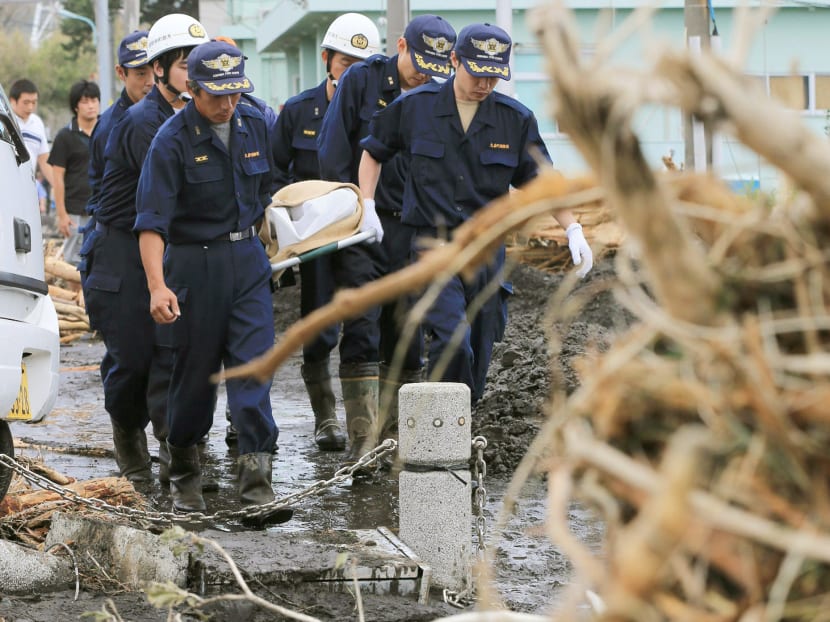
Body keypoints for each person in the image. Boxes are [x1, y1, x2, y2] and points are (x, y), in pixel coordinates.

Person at [358, 23, 593, 404]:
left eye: (494, 76)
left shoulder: (514, 120)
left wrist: (573, 228)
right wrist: (367, 204)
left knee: (481, 346)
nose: (485, 84)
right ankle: (445, 428)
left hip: (487, 249)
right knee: (452, 340)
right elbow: (374, 151)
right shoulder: (415, 107)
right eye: (478, 73)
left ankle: (463, 418)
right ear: (454, 60)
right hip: (434, 245)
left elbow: (543, 182)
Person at [135, 40, 288, 519]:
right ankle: (184, 479)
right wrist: (158, 286)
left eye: (235, 94)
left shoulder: (256, 123)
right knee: (195, 382)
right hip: (194, 268)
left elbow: (269, 191)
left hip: (247, 261)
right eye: (217, 95)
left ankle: (257, 490)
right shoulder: (171, 140)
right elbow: (151, 223)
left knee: (254, 370)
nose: (227, 104)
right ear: (192, 89)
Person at [317, 14, 457, 466]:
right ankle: (362, 442)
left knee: (407, 331)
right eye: (417, 62)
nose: (422, 73)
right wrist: (355, 210)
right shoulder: (362, 80)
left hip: (413, 228)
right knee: (361, 327)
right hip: (363, 223)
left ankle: (394, 439)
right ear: (400, 45)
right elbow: (334, 150)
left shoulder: (442, 94)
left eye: (433, 67)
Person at [83, 14, 210, 484]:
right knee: (131, 361)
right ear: (155, 71)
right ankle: (132, 453)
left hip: (163, 247)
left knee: (172, 356)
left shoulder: (191, 115)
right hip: (120, 253)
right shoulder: (135, 123)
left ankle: (178, 460)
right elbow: (167, 196)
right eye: (136, 72)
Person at [271, 13, 381, 453]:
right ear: (326, 59)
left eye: (362, 63)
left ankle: (364, 429)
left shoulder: (379, 110)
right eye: (345, 61)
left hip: (363, 233)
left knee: (364, 324)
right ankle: (325, 417)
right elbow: (276, 172)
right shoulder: (298, 111)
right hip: (314, 238)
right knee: (318, 325)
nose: (352, 70)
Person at [48, 80, 100, 273]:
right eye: (85, 101)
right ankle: (77, 301)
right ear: (76, 105)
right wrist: (61, 214)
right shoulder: (65, 136)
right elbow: (58, 177)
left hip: (102, 207)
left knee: (100, 257)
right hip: (74, 209)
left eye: (94, 100)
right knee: (73, 261)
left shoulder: (107, 128)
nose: (91, 105)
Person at [8, 78, 53, 186]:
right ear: (12, 101)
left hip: (29, 186)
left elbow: (44, 160)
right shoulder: (4, 122)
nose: (30, 107)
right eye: (26, 102)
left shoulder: (37, 123)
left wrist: (57, 186)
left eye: (34, 102)